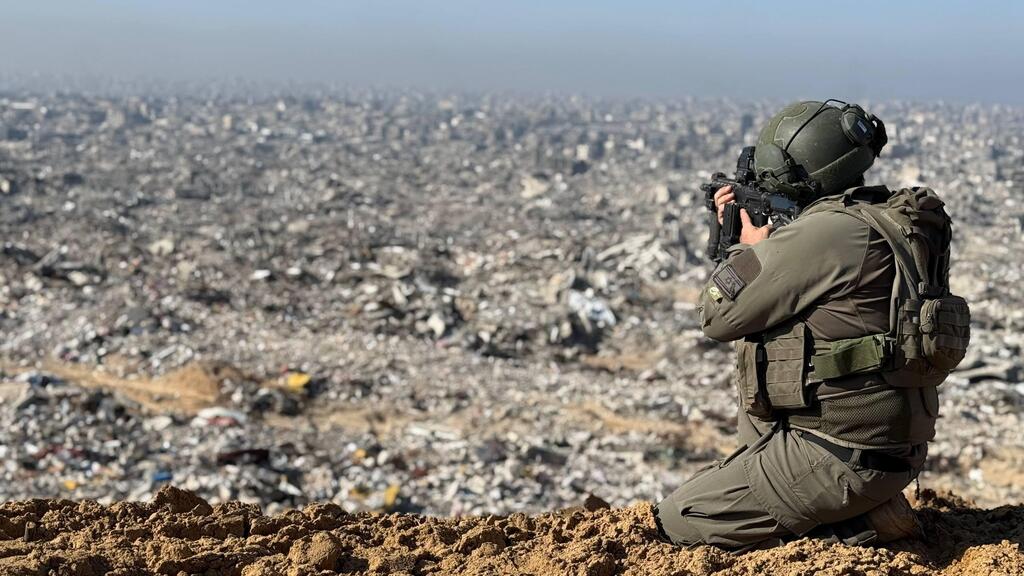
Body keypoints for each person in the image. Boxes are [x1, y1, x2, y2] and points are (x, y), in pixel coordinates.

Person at [654, 100, 970, 550]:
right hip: (889, 448)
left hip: (839, 456)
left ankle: (854, 525)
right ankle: (847, 508)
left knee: (677, 520)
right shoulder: (887, 219)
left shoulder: (826, 233)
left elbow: (717, 316)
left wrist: (746, 249)